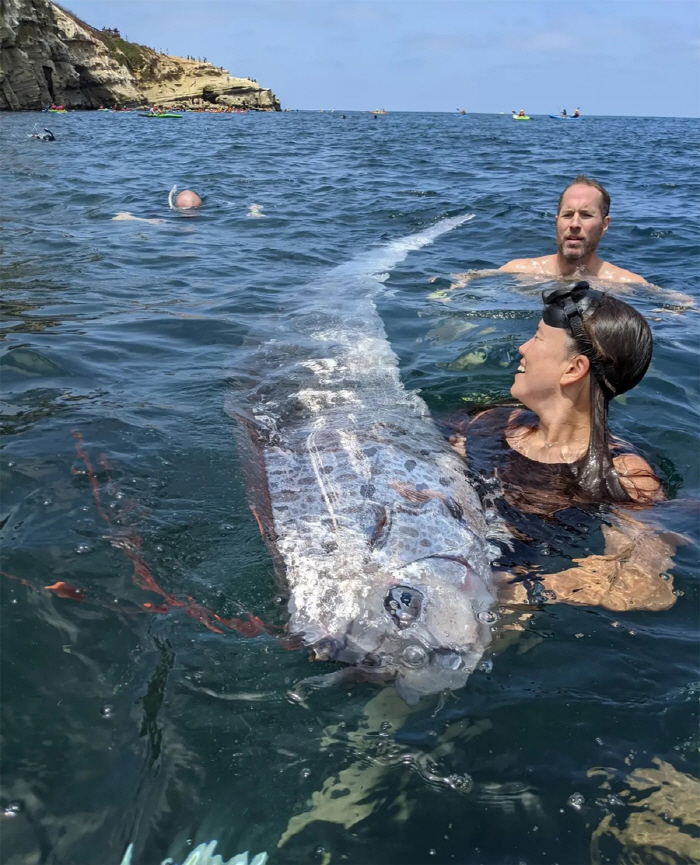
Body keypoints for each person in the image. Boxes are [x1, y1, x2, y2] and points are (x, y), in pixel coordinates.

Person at [449, 282, 677, 612]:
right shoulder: (490, 421)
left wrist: (514, 591)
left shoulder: (623, 475)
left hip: (503, 596)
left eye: (538, 338)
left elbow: (642, 586)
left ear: (573, 369)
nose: (523, 349)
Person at [498, 175, 645, 283]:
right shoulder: (517, 272)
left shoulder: (625, 283)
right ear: (557, 222)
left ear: (604, 225)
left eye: (586, 215)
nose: (574, 224)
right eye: (567, 215)